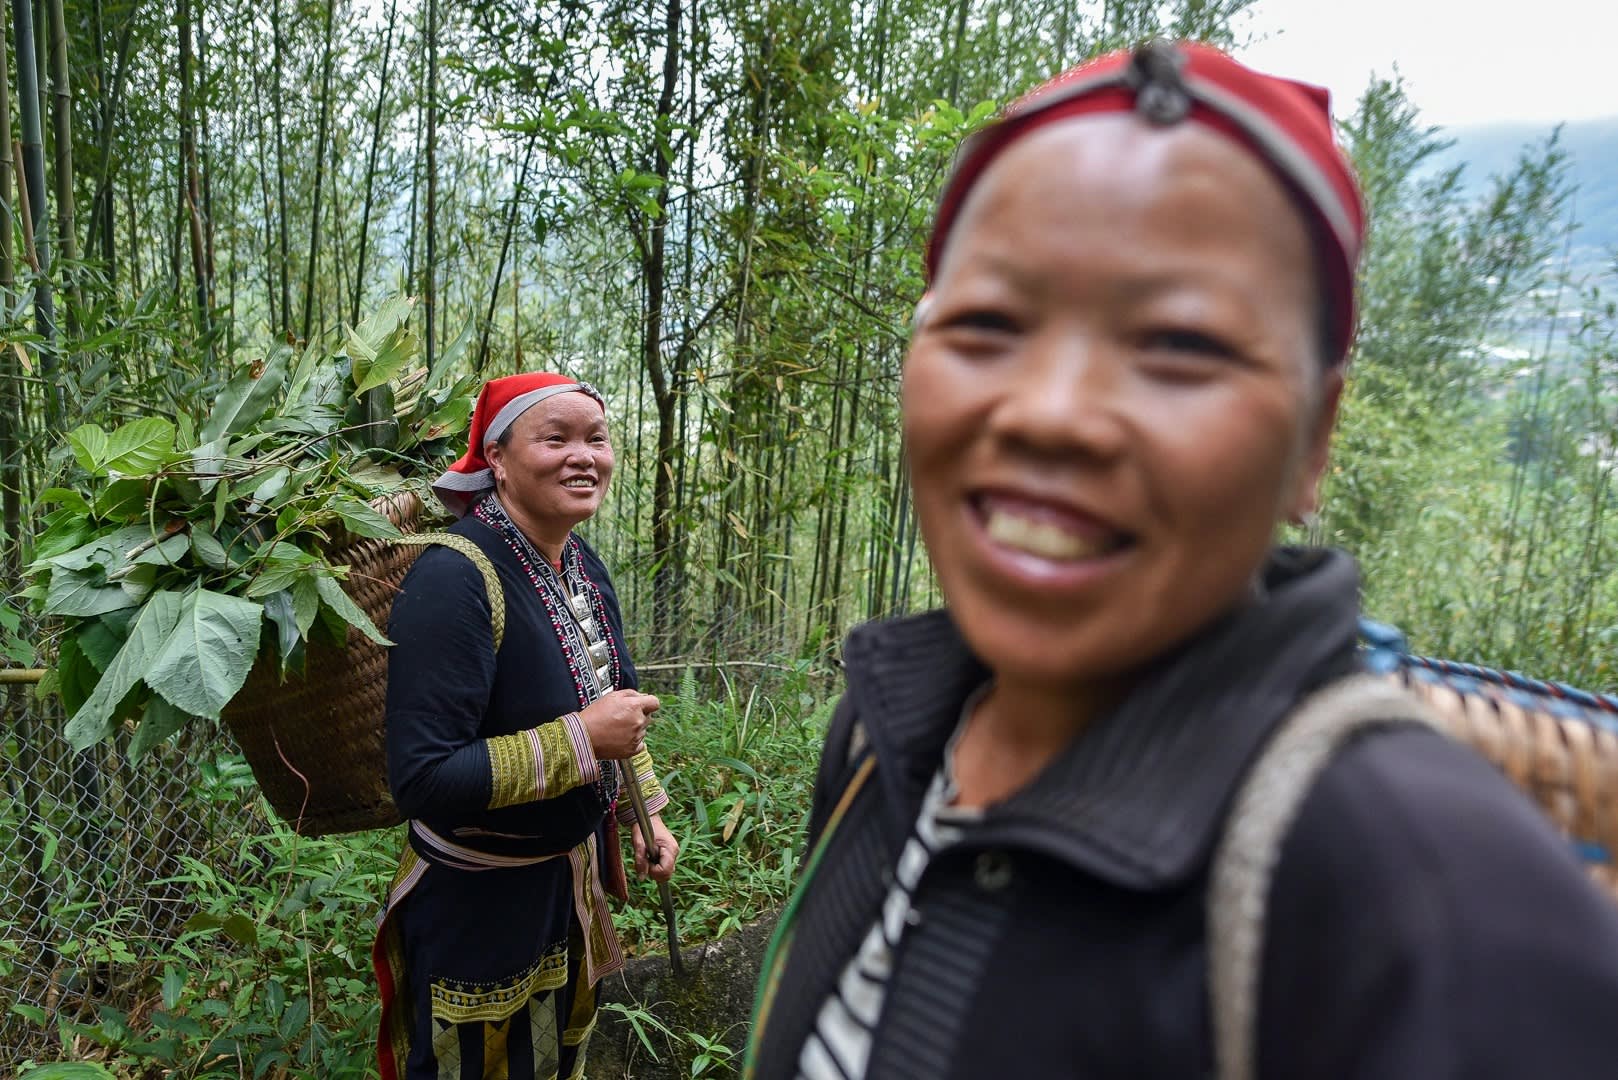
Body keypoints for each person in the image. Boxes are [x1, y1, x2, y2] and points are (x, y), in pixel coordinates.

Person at [745, 41, 1618, 1079]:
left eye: (1181, 345)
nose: (1051, 414)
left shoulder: (1440, 921)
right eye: (984, 322)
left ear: (1316, 439)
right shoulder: (885, 731)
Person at [373, 372, 679, 1080]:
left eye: (596, 438)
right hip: (478, 910)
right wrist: (582, 738)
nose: (584, 456)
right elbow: (423, 778)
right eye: (556, 438)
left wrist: (644, 814)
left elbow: (616, 706)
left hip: (564, 887)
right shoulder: (453, 579)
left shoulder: (581, 563)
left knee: (556, 1057)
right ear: (498, 459)